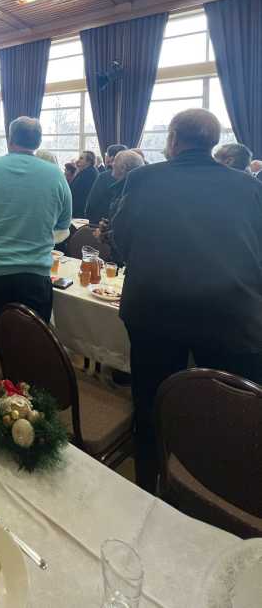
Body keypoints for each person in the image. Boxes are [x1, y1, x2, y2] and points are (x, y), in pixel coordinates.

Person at [111, 108, 262, 493]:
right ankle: (219, 491)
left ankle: (150, 483)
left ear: (174, 139)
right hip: (231, 313)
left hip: (155, 310)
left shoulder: (143, 179)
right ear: (213, 142)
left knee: (151, 402)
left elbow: (122, 241)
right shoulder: (248, 186)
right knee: (228, 407)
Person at [0, 117, 72, 347]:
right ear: (38, 142)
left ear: (10, 139)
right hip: (34, 272)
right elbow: (64, 225)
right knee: (31, 344)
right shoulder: (55, 175)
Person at [85, 143, 129, 225]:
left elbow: (92, 203)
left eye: (106, 154)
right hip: (123, 223)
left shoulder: (104, 177)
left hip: (100, 223)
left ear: (111, 157)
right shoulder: (132, 176)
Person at [69, 150, 98, 217]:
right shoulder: (84, 172)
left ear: (89, 161)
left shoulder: (90, 174)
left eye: (81, 158)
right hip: (78, 209)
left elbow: (80, 192)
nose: (78, 161)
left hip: (81, 211)